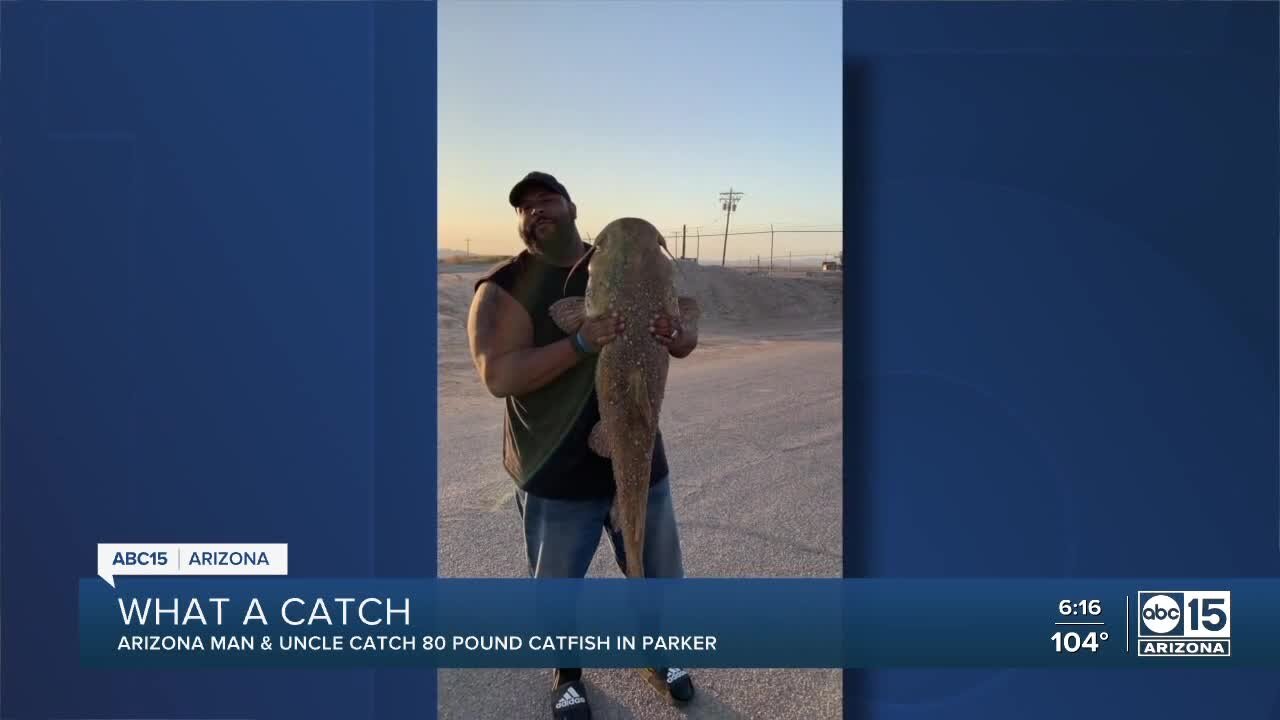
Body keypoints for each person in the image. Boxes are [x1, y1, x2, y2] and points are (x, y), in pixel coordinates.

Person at [467, 172, 698, 719]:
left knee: (656, 569)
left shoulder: (624, 259)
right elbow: (499, 376)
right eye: (523, 207)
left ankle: (658, 652)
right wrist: (579, 341)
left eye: (545, 199)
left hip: (638, 447)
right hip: (555, 469)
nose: (534, 211)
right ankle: (566, 674)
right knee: (557, 589)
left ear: (573, 207)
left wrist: (679, 333)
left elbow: (687, 327)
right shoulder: (501, 287)